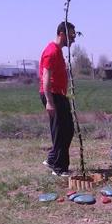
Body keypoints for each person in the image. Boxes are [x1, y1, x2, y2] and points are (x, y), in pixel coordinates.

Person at [40, 21, 76, 177]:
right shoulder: (52, 51)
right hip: (53, 95)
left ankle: (53, 159)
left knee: (67, 129)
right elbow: (46, 76)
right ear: (62, 34)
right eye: (71, 35)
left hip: (59, 94)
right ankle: (59, 169)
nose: (73, 39)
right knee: (61, 131)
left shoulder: (58, 51)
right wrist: (49, 100)